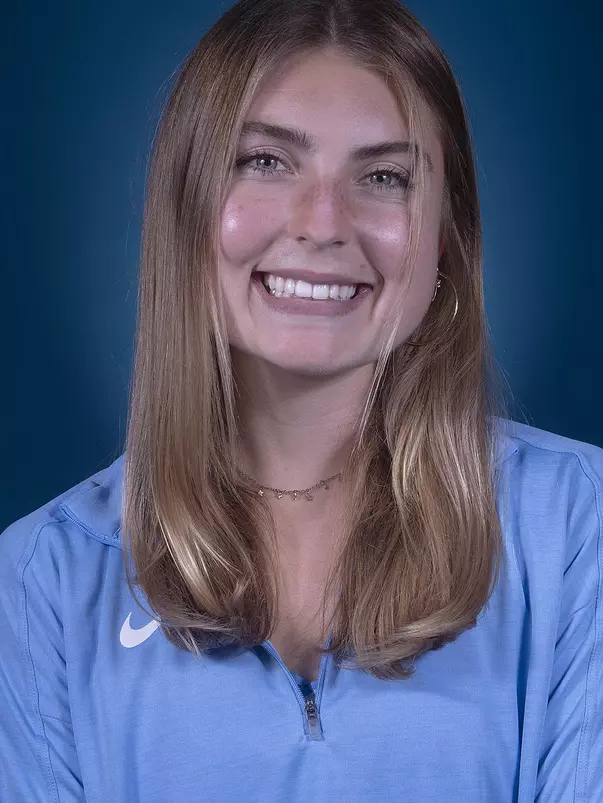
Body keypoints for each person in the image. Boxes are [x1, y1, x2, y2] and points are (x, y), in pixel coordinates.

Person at [1, 0, 602, 799]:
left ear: (444, 239)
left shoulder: (577, 529)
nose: (323, 223)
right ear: (185, 203)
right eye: (266, 161)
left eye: (383, 176)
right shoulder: (40, 580)